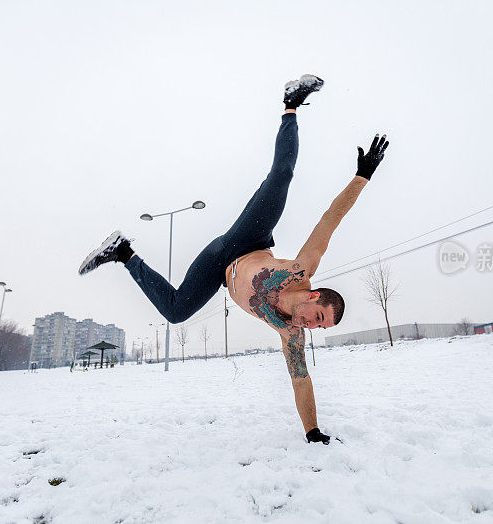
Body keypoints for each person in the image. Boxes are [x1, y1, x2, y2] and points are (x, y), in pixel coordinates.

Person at [78, 74, 389, 444]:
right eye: (319, 318)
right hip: (249, 239)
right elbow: (330, 220)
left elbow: (301, 381)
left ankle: (122, 251)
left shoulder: (290, 333)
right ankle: (291, 103)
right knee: (281, 177)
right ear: (312, 296)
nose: (314, 327)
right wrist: (363, 175)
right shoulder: (301, 270)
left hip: (217, 267)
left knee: (176, 311)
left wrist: (312, 432)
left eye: (322, 328)